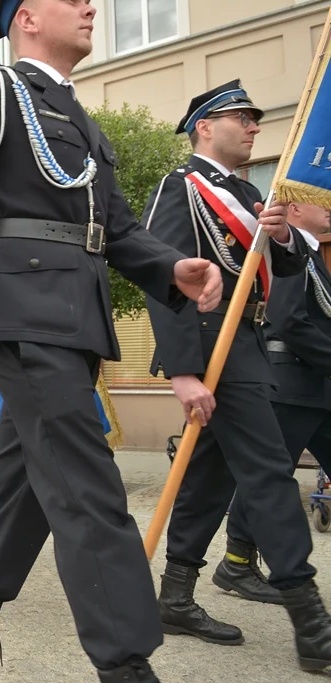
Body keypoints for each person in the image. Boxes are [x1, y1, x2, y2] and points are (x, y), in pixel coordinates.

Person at [0, 1, 248, 679]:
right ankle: (125, 663)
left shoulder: (80, 120)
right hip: (22, 308)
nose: (91, 7)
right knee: (89, 487)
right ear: (26, 17)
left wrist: (169, 267)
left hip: (71, 316)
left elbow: (114, 227)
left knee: (24, 485)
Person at [145, 79, 331, 671]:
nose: (254, 126)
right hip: (211, 346)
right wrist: (183, 370)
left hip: (247, 340)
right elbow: (162, 275)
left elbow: (284, 266)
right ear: (205, 126)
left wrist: (278, 237)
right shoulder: (182, 187)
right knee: (270, 473)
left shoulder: (249, 191)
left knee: (210, 475)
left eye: (255, 119)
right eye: (242, 117)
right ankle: (311, 622)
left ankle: (174, 596)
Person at [210, 202, 331, 606]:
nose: (330, 206)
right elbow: (288, 318)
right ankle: (237, 562)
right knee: (268, 477)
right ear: (294, 206)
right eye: (322, 200)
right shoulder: (285, 251)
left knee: (268, 476)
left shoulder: (311, 253)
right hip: (290, 384)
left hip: (316, 386)